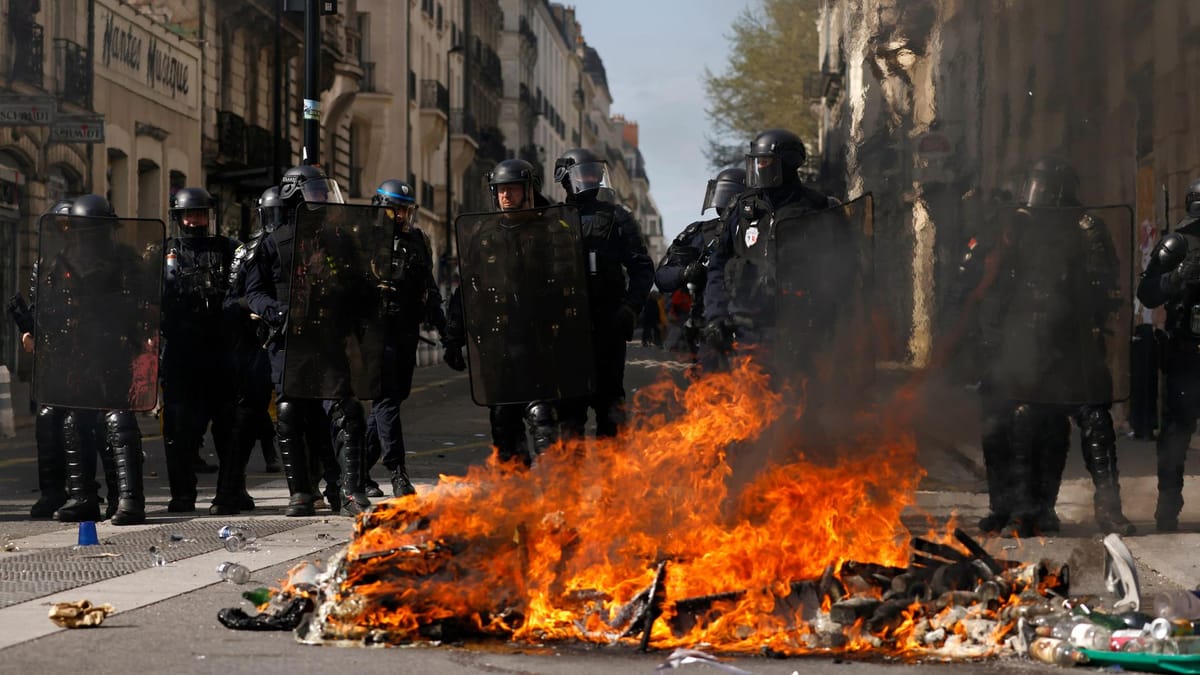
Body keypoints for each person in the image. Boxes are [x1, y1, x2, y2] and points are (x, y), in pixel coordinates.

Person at [974, 158, 1134, 536]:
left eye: (1042, 186)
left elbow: (1104, 283)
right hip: (1026, 341)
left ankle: (1108, 509)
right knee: (1017, 417)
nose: (1036, 195)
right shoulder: (1020, 225)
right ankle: (1018, 508)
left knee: (1095, 419)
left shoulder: (1086, 228)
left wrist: (1074, 298)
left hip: (1074, 341)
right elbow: (995, 278)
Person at [245, 164, 371, 516]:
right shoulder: (274, 243)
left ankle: (349, 491)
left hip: (328, 338)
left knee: (346, 410)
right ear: (295, 196)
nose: (322, 199)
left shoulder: (339, 240)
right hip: (290, 342)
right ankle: (300, 492)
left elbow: (357, 283)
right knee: (291, 412)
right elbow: (254, 293)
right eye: (316, 193)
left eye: (323, 192)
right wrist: (279, 312)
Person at [443, 158, 588, 464]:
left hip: (541, 340)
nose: (506, 196)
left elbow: (572, 286)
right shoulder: (484, 234)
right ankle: (515, 484)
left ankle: (555, 481)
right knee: (503, 420)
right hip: (498, 342)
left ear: (529, 191)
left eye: (512, 189)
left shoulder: (552, 230)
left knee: (542, 414)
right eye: (501, 190)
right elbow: (467, 287)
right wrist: (453, 336)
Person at [30, 194, 155, 525]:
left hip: (114, 348)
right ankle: (82, 496)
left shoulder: (125, 261)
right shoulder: (59, 265)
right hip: (76, 352)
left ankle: (127, 498)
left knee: (117, 421)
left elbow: (143, 304)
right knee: (74, 421)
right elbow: (48, 308)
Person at [702, 130, 844, 377]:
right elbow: (718, 265)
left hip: (801, 330)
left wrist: (831, 321)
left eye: (765, 162)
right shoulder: (740, 208)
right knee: (750, 395)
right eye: (756, 162)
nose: (759, 168)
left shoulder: (817, 208)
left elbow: (840, 269)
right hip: (747, 329)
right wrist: (716, 316)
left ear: (787, 164)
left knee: (799, 395)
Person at [551, 148, 653, 438]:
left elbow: (642, 268)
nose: (591, 180)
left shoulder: (618, 218)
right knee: (568, 413)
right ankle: (571, 468)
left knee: (610, 408)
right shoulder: (550, 221)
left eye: (595, 174)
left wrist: (630, 307)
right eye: (584, 174)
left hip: (607, 324)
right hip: (566, 329)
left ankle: (612, 468)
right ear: (566, 178)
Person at [363, 179, 444, 497]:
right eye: (394, 209)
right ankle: (397, 472)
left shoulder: (418, 241)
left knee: (391, 400)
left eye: (405, 210)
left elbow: (428, 286)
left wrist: (445, 329)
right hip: (377, 333)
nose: (400, 216)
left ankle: (357, 470)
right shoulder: (367, 240)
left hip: (407, 331)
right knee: (386, 399)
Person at [161, 187, 239, 514]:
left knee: (228, 428)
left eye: (200, 214)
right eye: (189, 215)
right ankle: (182, 494)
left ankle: (229, 493)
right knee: (179, 430)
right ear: (179, 218)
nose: (195, 221)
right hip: (181, 353)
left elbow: (243, 289)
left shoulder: (228, 250)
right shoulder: (164, 253)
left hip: (220, 352)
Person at [1137, 176, 1200, 531]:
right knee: (1175, 435)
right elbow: (1147, 293)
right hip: (1186, 354)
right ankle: (1168, 506)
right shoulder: (1178, 244)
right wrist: (1175, 279)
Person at [220, 186, 284, 514]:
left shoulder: (302, 246)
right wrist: (257, 308)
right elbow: (230, 302)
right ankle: (230, 489)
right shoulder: (249, 251)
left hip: (290, 341)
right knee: (247, 416)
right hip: (255, 343)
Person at [656, 168, 746, 363]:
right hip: (706, 329)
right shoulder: (701, 233)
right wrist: (685, 273)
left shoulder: (758, 233)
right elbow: (663, 276)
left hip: (748, 329)